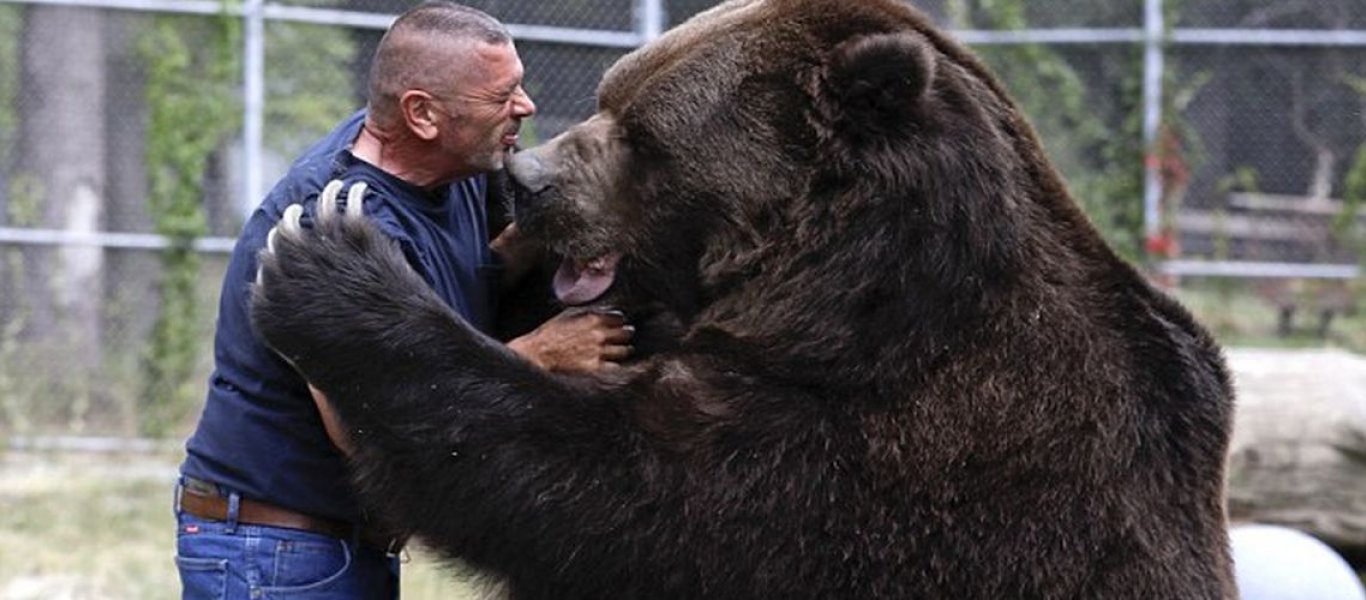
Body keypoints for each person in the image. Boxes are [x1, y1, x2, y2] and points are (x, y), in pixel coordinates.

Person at [173, 3, 632, 597]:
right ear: (422, 114)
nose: (525, 107)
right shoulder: (335, 227)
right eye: (502, 96)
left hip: (341, 541)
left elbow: (467, 275)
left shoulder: (455, 171)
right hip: (277, 549)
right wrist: (537, 357)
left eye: (518, 86)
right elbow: (366, 422)